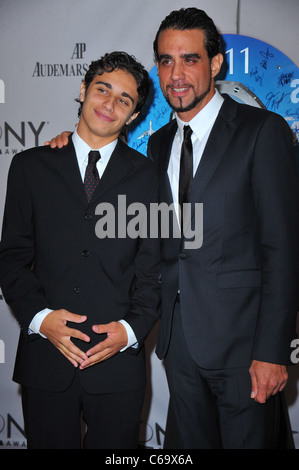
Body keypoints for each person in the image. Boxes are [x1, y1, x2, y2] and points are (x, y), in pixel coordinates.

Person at [44, 8, 299, 449]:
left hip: (245, 350)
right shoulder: (158, 143)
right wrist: (70, 144)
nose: (176, 74)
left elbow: (283, 248)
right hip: (177, 345)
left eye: (190, 59)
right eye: (165, 60)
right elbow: (108, 172)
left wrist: (272, 351)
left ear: (215, 63)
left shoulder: (263, 131)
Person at [0, 51, 161, 449]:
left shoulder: (149, 179)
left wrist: (129, 332)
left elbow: (155, 268)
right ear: (83, 89)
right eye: (102, 89)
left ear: (135, 115)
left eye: (124, 99)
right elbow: (12, 259)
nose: (109, 104)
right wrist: (40, 319)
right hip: (46, 362)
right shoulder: (29, 166)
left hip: (118, 367)